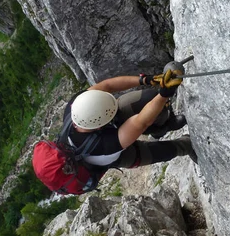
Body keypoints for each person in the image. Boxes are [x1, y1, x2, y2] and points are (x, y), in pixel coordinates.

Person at [64, 69, 197, 171]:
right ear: (101, 125)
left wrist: (145, 80)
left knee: (150, 99)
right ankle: (187, 145)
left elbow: (108, 85)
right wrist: (165, 94)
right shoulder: (104, 144)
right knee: (165, 151)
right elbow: (141, 121)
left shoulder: (78, 104)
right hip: (118, 154)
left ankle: (163, 126)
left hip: (110, 125)